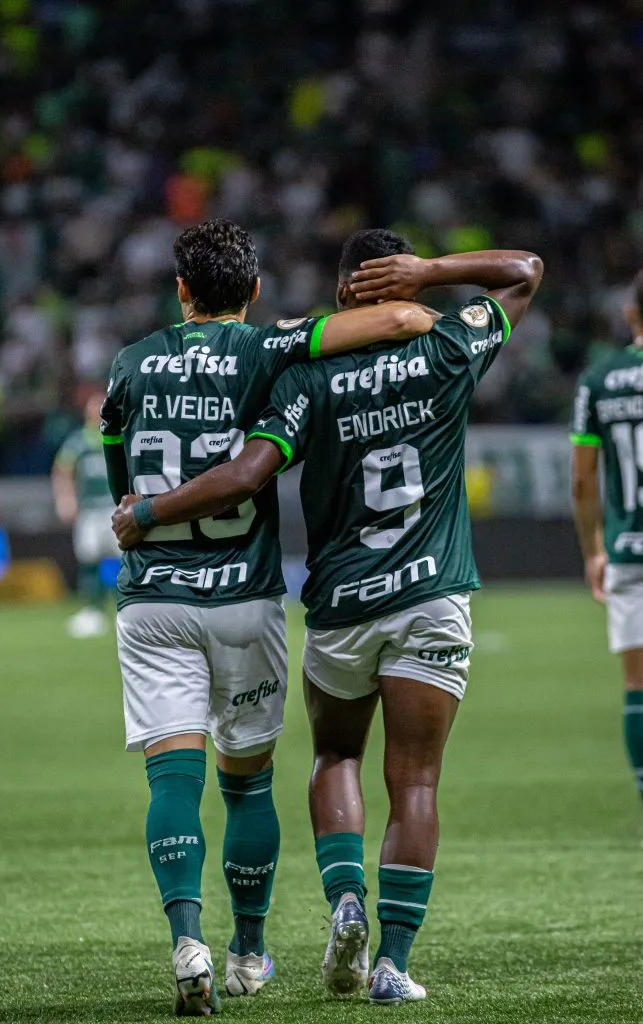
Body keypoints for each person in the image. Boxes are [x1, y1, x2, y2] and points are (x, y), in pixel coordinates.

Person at [112, 230, 543, 1005]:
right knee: (414, 781)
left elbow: (247, 471)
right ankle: (391, 963)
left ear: (343, 291)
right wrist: (432, 275)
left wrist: (144, 510)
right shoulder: (448, 345)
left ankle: (332, 902)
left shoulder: (307, 377)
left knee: (334, 758)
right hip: (428, 593)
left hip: (338, 603)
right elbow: (524, 272)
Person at [571, 269, 643, 804]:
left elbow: (581, 479)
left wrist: (594, 551)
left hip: (628, 549)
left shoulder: (598, 379)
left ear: (629, 313)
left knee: (638, 686)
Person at [52, 387, 118, 638]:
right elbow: (62, 470)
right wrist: (65, 499)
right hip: (90, 510)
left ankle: (127, 607)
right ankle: (93, 612)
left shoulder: (118, 434)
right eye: (93, 407)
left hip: (115, 508)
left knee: (125, 560)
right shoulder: (78, 441)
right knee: (89, 559)